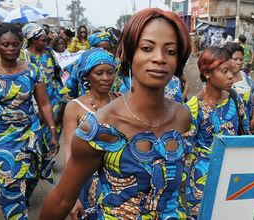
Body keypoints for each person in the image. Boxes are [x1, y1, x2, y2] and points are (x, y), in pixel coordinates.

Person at [40, 8, 192, 219]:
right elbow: (61, 199)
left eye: (171, 51)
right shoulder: (101, 127)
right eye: (147, 48)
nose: (159, 58)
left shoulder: (182, 117)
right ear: (128, 55)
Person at [0, 23, 59, 219]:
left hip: (29, 135)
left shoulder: (32, 70)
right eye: (5, 44)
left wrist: (52, 131)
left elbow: (45, 104)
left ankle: (23, 200)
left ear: (21, 44)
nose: (11, 49)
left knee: (30, 178)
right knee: (7, 184)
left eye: (15, 44)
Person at [185, 46, 248, 218]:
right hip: (203, 178)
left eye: (231, 71)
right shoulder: (192, 108)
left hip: (232, 174)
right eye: (224, 71)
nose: (230, 76)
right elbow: (184, 152)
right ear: (207, 73)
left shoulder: (236, 99)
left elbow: (246, 134)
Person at [63, 49, 120, 219]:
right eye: (99, 73)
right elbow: (70, 153)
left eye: (110, 72)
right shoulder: (74, 107)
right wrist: (71, 196)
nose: (106, 78)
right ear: (87, 75)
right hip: (87, 180)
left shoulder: (121, 101)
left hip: (120, 181)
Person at [22, 23, 64, 153]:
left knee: (55, 124)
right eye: (43, 40)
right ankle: (40, 156)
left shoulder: (49, 52)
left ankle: (50, 154)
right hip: (35, 97)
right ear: (33, 40)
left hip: (53, 94)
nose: (46, 43)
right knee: (38, 126)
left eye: (47, 40)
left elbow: (58, 72)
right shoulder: (24, 56)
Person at [226, 42, 254, 133]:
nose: (239, 63)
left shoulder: (246, 78)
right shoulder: (221, 79)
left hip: (246, 128)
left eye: (241, 59)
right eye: (235, 59)